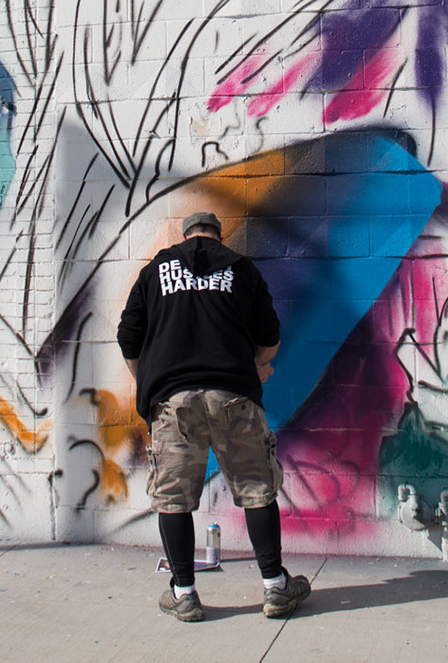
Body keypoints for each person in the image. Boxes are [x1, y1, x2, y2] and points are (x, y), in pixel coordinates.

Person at [117, 210, 311, 622]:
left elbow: (128, 336)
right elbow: (269, 337)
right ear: (217, 237)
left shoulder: (155, 272)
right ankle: (275, 588)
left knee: (172, 498)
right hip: (232, 394)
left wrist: (149, 381)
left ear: (186, 235)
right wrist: (257, 367)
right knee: (257, 490)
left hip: (173, 400)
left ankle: (184, 593)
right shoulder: (241, 269)